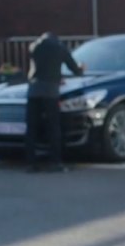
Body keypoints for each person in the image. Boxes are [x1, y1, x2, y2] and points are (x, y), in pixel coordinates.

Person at [25, 32, 84, 173]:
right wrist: (81, 69)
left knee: (31, 128)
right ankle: (56, 162)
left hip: (33, 90)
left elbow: (40, 68)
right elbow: (75, 69)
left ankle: (31, 163)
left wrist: (57, 76)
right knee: (54, 127)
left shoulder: (34, 47)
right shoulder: (60, 47)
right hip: (50, 92)